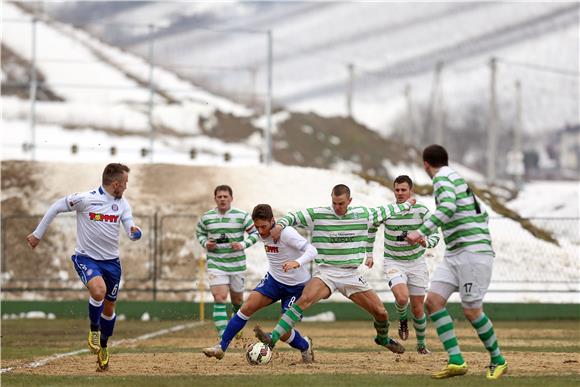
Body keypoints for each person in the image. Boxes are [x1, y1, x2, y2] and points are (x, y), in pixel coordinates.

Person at [254, 184, 415, 354]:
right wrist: (280, 226)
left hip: (351, 274)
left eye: (341, 204)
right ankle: (271, 340)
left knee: (381, 313)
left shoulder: (364, 214)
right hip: (326, 272)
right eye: (334, 203)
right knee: (304, 299)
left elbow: (389, 209)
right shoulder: (319, 214)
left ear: (349, 201)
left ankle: (382, 339)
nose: (337, 207)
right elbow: (293, 216)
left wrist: (408, 204)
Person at [26, 163, 141, 371]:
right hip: (86, 258)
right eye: (124, 183)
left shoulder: (123, 204)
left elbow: (129, 227)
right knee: (99, 291)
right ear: (115, 184)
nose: (126, 187)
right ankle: (93, 329)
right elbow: (56, 207)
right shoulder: (86, 199)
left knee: (109, 308)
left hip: (112, 263)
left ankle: (104, 347)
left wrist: (134, 232)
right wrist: (37, 234)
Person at [406, 144, 507, 380]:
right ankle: (456, 361)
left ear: (425, 165)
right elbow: (481, 213)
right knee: (433, 302)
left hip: (472, 253)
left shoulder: (442, 179)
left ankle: (498, 360)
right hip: (455, 253)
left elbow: (449, 207)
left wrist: (420, 231)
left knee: (472, 311)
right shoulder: (456, 178)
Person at [202, 204, 317, 363]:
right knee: (247, 307)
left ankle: (305, 346)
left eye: (264, 226)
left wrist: (297, 262)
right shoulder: (260, 231)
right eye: (257, 227)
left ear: (273, 221)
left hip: (296, 287)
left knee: (284, 332)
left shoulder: (286, 233)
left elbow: (312, 251)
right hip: (274, 281)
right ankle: (221, 347)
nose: (261, 231)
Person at [368, 175, 439, 355]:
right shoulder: (388, 211)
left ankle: (421, 345)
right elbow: (371, 227)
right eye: (397, 190)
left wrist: (425, 243)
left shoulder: (422, 211)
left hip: (416, 263)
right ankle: (402, 319)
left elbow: (435, 236)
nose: (400, 193)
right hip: (394, 261)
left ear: (410, 191)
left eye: (403, 190)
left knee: (418, 308)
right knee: (401, 298)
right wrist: (369, 253)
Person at [196, 185, 258, 339]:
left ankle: (236, 326)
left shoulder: (242, 216)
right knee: (219, 297)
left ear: (231, 198)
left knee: (237, 301)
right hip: (216, 263)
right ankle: (225, 337)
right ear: (215, 198)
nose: (222, 199)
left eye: (225, 196)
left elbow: (256, 233)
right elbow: (200, 233)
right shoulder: (207, 217)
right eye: (219, 196)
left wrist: (242, 244)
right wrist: (206, 243)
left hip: (237, 264)